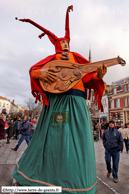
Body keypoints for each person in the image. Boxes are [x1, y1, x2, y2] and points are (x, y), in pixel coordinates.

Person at [13, 6, 107, 193]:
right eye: (61, 42)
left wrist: (98, 75)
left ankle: (78, 183)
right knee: (53, 139)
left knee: (80, 139)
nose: (64, 43)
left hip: (77, 103)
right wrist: (41, 72)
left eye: (66, 41)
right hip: (57, 102)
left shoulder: (78, 60)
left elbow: (88, 78)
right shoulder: (51, 59)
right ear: (56, 45)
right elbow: (34, 70)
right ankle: (40, 177)